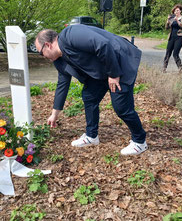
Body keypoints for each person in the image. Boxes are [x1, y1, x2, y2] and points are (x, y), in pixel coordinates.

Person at [35, 25, 147, 155]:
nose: (43, 57)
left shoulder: (71, 35)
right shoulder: (59, 60)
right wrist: (55, 114)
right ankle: (91, 136)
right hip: (102, 71)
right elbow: (62, 84)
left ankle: (140, 141)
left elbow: (103, 44)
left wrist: (113, 74)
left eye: (40, 53)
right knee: (89, 96)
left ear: (48, 45)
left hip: (119, 61)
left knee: (121, 107)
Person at [163, 4, 182, 73]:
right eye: (175, 11)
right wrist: (167, 21)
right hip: (172, 37)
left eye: (177, 10)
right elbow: (167, 28)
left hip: (179, 37)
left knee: (175, 54)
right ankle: (164, 68)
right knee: (168, 53)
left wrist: (177, 21)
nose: (176, 12)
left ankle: (180, 68)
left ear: (180, 11)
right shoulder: (172, 18)